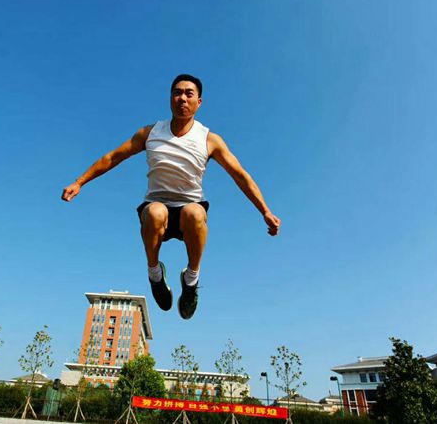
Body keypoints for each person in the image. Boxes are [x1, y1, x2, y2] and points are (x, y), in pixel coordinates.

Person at [62, 74, 281, 319]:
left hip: (190, 209)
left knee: (194, 212)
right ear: (170, 98)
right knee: (155, 212)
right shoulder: (150, 133)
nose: (182, 98)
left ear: (199, 102)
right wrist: (80, 182)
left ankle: (191, 281)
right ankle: (155, 275)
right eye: (177, 93)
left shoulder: (210, 140)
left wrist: (265, 211)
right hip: (157, 208)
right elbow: (113, 157)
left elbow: (240, 176)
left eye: (189, 93)